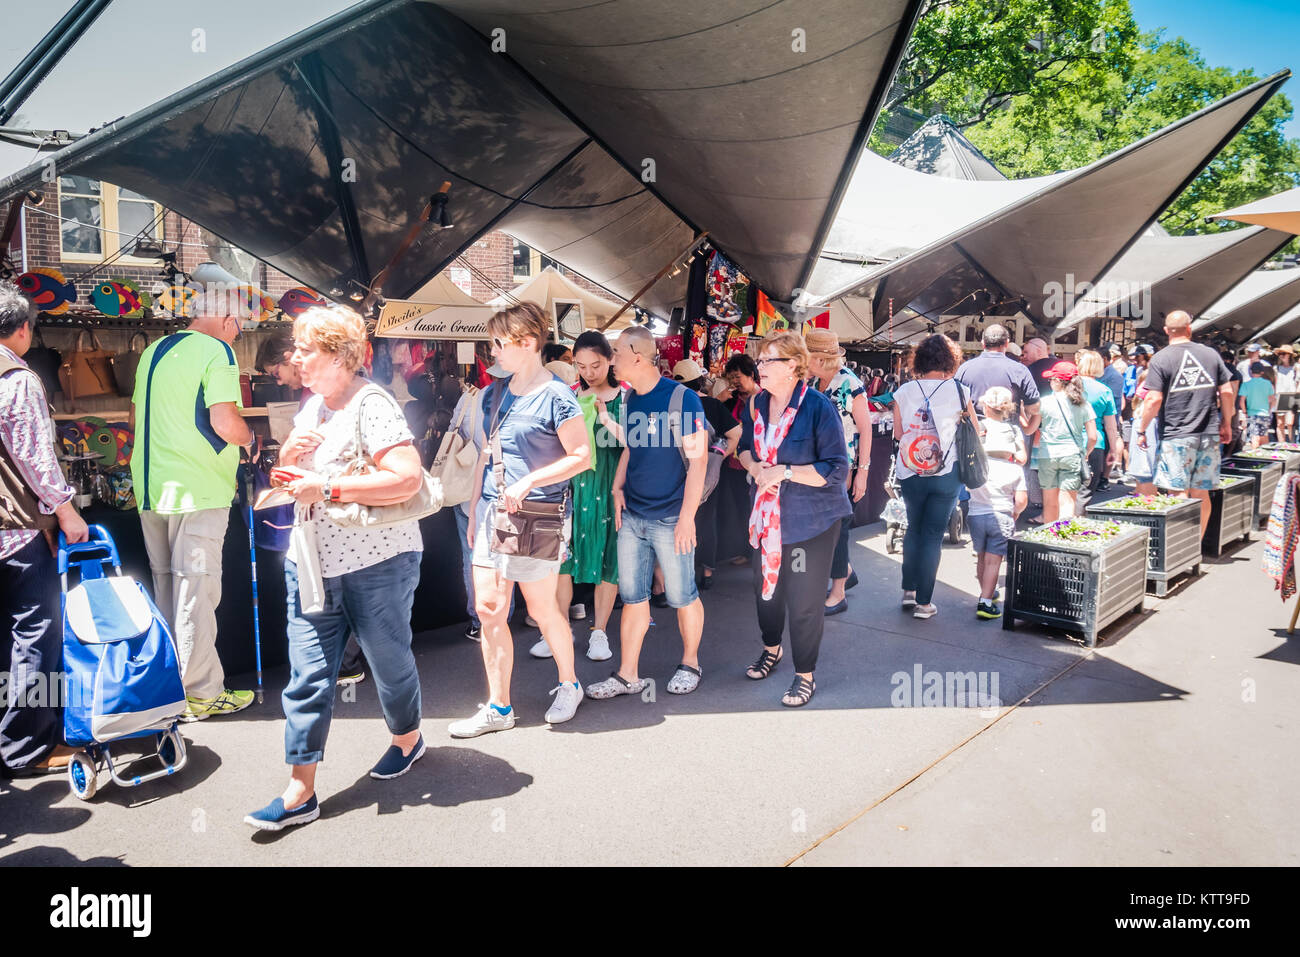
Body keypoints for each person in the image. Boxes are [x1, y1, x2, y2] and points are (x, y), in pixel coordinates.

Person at [243, 305, 428, 831]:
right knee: (307, 676)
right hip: (311, 562)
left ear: (338, 354)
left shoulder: (373, 403)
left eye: (305, 348)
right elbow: (299, 480)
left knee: (389, 663)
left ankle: (408, 739)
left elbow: (407, 478)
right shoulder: (311, 408)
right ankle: (300, 790)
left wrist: (323, 485)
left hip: (379, 561)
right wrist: (292, 460)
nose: (294, 358)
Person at [451, 303, 592, 737]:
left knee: (541, 607)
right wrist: (475, 508)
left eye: (498, 343)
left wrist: (529, 481)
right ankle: (499, 707)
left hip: (537, 516)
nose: (492, 351)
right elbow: (485, 455)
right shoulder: (493, 392)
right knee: (489, 608)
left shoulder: (557, 395)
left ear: (527, 343)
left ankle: (569, 683)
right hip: (493, 511)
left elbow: (581, 457)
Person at [130, 297, 256, 721]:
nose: (237, 333)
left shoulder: (153, 351)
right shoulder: (216, 350)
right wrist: (251, 439)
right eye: (238, 324)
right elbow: (224, 422)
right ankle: (202, 692)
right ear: (225, 318)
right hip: (197, 490)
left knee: (167, 590)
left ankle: (173, 689)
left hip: (151, 490)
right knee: (196, 593)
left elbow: (135, 423)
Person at [585, 326, 707, 702]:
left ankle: (691, 663)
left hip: (671, 517)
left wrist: (687, 517)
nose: (611, 360)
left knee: (682, 594)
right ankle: (627, 675)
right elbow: (631, 449)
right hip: (634, 516)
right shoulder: (628, 400)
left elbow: (699, 460)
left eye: (616, 353)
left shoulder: (683, 399)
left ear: (638, 356)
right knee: (634, 596)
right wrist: (617, 486)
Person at [0, 286, 88, 777]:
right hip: (15, 531)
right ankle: (28, 747)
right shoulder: (16, 377)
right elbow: (35, 458)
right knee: (33, 635)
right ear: (23, 329)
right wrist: (66, 511)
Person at [737, 333, 850, 706]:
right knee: (765, 593)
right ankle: (772, 650)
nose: (760, 367)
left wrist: (783, 472)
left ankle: (805, 674)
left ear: (791, 366)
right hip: (765, 519)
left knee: (803, 598)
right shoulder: (755, 404)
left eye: (768, 361)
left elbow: (835, 468)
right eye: (760, 360)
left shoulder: (818, 407)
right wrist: (755, 466)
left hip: (810, 521)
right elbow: (743, 450)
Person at [890, 334, 979, 620]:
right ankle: (924, 603)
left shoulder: (903, 392)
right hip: (947, 471)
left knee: (913, 528)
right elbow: (975, 431)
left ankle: (908, 591)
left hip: (910, 470)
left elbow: (899, 434)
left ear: (920, 360)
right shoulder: (960, 391)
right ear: (950, 360)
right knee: (931, 535)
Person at [553, 330, 623, 662]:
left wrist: (606, 419)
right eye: (581, 366)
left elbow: (635, 446)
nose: (589, 373)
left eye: (595, 365)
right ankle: (559, 630)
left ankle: (600, 632)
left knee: (610, 559)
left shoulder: (627, 398)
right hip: (573, 488)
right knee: (563, 561)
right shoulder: (567, 396)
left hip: (612, 489)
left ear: (610, 360)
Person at [1138, 310, 1235, 536]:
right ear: (1189, 328)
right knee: (1201, 492)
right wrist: (1226, 423)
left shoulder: (1161, 358)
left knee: (1177, 492)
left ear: (1166, 331)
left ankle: (1179, 550)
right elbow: (1227, 392)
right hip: (1208, 433)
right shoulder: (1211, 355)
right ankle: (1197, 545)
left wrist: (1142, 429)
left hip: (1176, 434)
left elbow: (1153, 399)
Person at [806, 329, 872, 615]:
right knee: (825, 526)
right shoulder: (812, 380)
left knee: (837, 529)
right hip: (816, 464)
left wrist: (863, 471)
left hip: (841, 465)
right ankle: (844, 572)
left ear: (817, 357)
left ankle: (838, 592)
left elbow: (866, 428)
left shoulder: (850, 383)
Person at [449, 364, 511, 643]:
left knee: (472, 558)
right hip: (504, 490)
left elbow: (452, 431)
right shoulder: (519, 400)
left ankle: (480, 620)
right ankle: (503, 617)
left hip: (466, 490)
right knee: (506, 557)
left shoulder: (470, 398)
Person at [671, 358, 742, 591]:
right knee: (707, 519)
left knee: (680, 519)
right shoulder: (713, 405)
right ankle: (708, 571)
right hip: (709, 475)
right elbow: (736, 434)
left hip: (677, 472)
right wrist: (719, 456)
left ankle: (684, 570)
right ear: (701, 381)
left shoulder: (670, 406)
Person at [968, 387, 1027, 620]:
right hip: (1002, 514)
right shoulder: (1014, 467)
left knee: (981, 557)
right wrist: (1016, 512)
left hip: (975, 515)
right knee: (994, 560)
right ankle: (985, 600)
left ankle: (986, 593)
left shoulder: (978, 467)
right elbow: (1021, 500)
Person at [1036, 360, 1097, 523]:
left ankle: (1048, 537)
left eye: (1051, 379)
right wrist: (1086, 452)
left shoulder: (1045, 402)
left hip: (1047, 455)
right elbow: (1092, 436)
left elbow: (1031, 428)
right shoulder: (1083, 404)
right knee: (1068, 503)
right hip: (1072, 454)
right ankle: (1062, 540)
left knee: (1049, 503)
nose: (1049, 383)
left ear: (1057, 381)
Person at [718, 353, 762, 565]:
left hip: (757, 464)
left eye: (738, 376)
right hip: (734, 464)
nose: (734, 382)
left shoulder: (764, 399)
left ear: (752, 375)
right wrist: (719, 400)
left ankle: (759, 553)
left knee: (756, 507)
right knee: (741, 508)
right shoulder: (732, 401)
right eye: (731, 378)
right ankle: (747, 551)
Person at [1075, 350, 1121, 505]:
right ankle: (1076, 523)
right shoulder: (1104, 391)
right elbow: (1111, 426)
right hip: (1095, 443)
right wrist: (1113, 450)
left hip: (1067, 441)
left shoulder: (1069, 386)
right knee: (1086, 490)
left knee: (1064, 488)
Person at [1239, 361, 1276, 449]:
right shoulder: (1268, 384)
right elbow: (1272, 399)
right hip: (1265, 414)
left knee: (1254, 437)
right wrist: (1269, 410)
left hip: (1251, 414)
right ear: (1262, 372)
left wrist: (1245, 412)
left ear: (1250, 371)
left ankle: (1255, 458)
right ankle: (1266, 458)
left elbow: (1241, 400)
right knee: (1264, 436)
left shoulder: (1246, 384)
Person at [1274, 345, 1297, 443]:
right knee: (1280, 423)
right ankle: (1282, 445)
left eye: (1283, 353)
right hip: (1279, 395)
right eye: (1280, 354)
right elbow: (1275, 383)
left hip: (1292, 396)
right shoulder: (1276, 368)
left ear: (1289, 355)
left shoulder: (1296, 368)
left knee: (1290, 423)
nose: (1281, 356)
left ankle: (1292, 444)